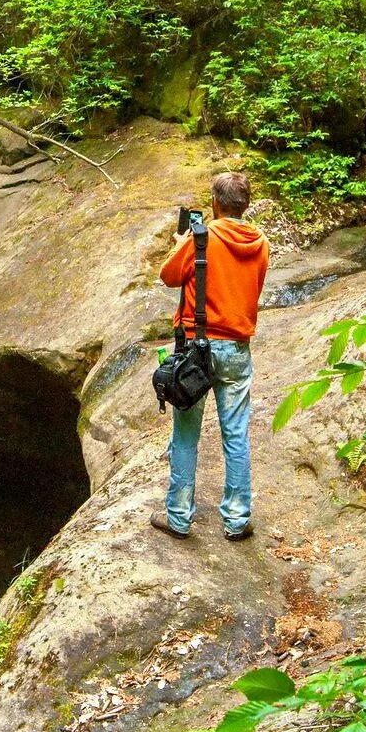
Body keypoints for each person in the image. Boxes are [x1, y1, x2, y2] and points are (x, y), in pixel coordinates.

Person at [152, 172, 269, 542]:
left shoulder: (201, 237)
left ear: (216, 203)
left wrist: (181, 245)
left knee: (186, 435)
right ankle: (237, 520)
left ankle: (179, 517)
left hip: (195, 349)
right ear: (244, 204)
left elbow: (169, 276)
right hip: (236, 348)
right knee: (236, 435)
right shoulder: (260, 242)